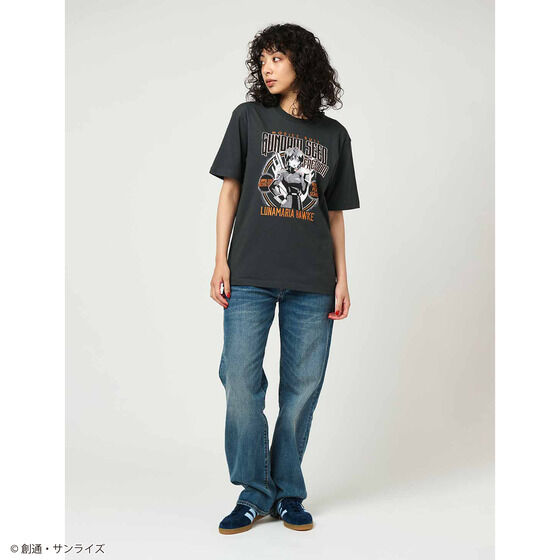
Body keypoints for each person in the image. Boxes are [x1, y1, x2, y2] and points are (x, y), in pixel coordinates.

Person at [209, 23, 360, 535]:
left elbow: (334, 214)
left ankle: (288, 491)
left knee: (302, 388)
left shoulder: (334, 136)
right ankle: (254, 492)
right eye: (263, 61)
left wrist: (342, 278)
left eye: (276, 58)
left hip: (313, 280)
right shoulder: (249, 118)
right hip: (250, 273)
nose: (267, 68)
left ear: (302, 62)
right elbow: (231, 191)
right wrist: (220, 260)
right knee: (239, 382)